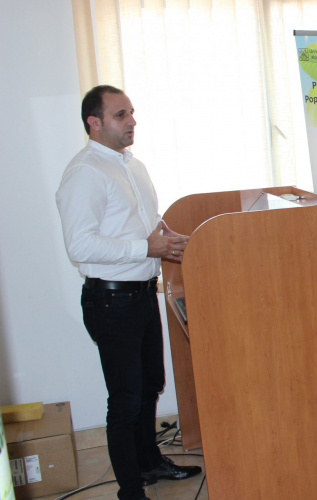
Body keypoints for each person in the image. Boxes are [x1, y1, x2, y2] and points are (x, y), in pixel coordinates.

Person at [56, 85, 201, 500]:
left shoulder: (132, 165)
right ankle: (131, 490)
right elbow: (80, 246)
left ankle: (149, 462)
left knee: (150, 385)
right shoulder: (85, 172)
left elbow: (142, 223)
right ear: (94, 123)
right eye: (121, 115)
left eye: (132, 112)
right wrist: (146, 248)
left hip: (141, 294)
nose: (132, 121)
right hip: (111, 300)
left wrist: (165, 235)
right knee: (125, 400)